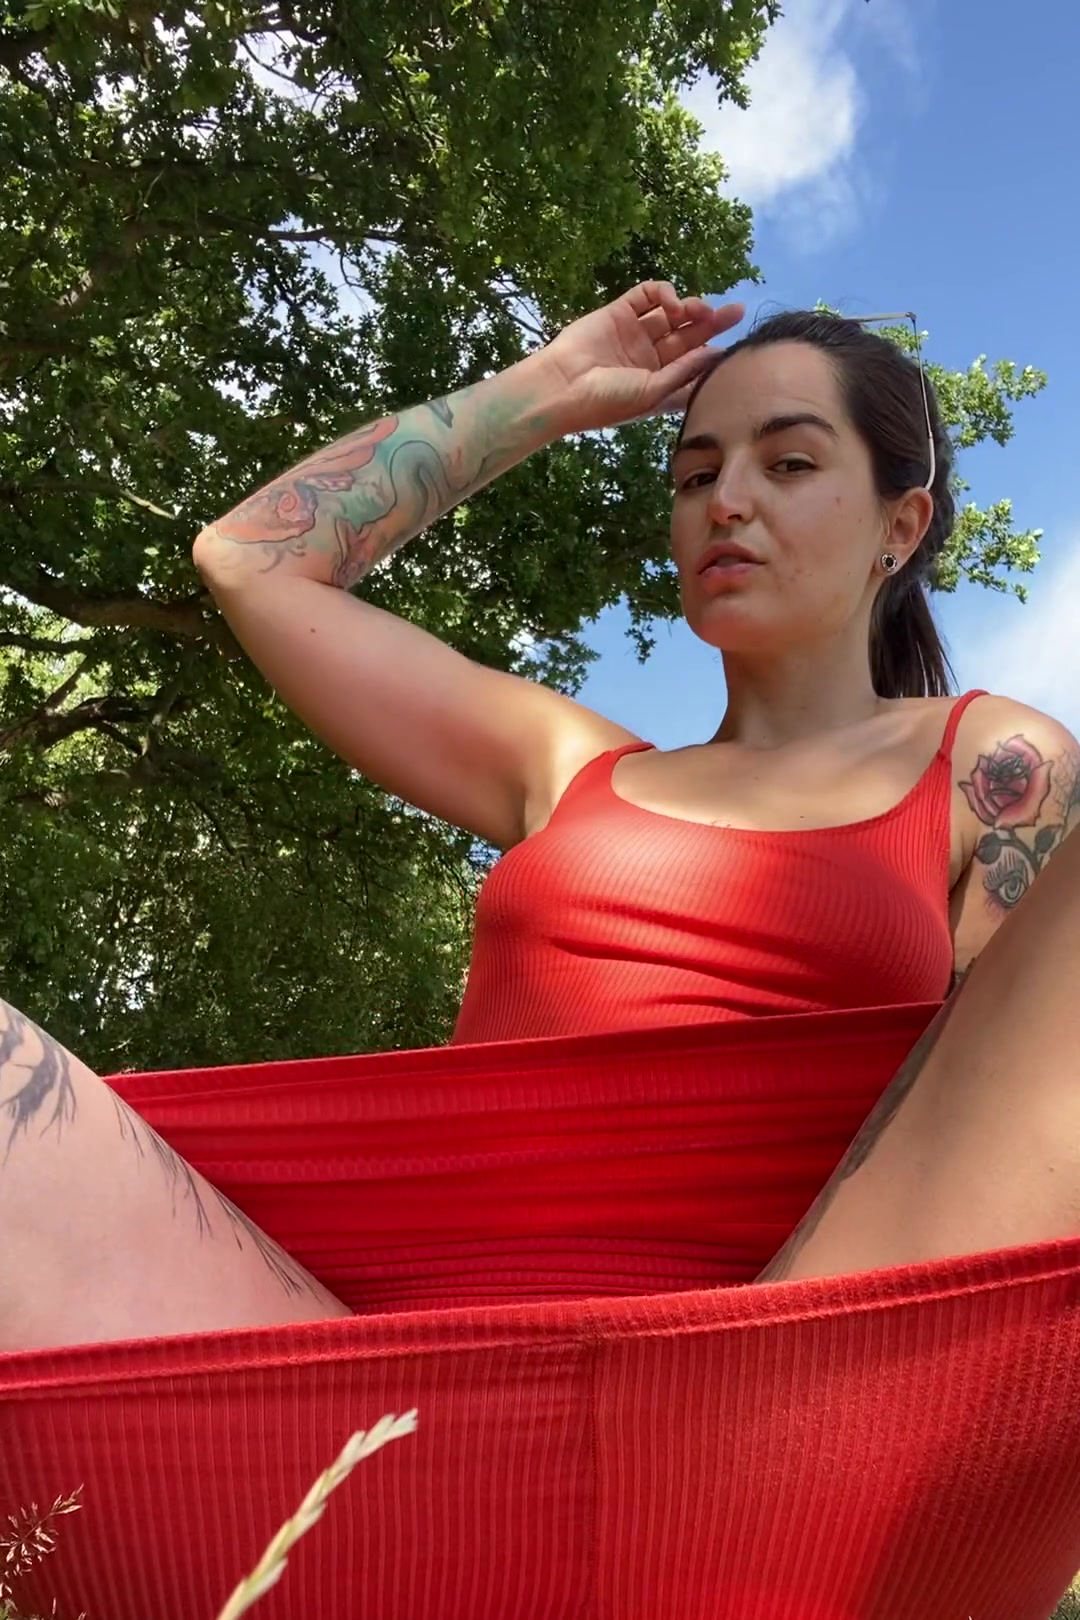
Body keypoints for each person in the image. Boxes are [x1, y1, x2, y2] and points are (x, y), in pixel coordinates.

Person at [3, 280, 1079, 1353]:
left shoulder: (994, 766)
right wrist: (553, 387)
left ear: (901, 523)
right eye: (695, 474)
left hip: (781, 1364)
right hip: (430, 1357)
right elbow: (251, 560)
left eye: (789, 463)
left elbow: (992, 1154)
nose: (727, 500)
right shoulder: (566, 764)